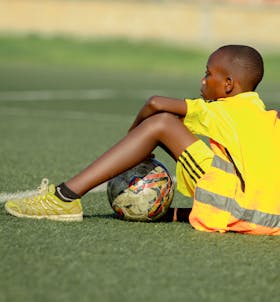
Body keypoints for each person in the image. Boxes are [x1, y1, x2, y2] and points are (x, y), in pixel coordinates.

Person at [5, 44, 280, 235]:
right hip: (271, 220)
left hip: (236, 211)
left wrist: (135, 140)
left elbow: (155, 103)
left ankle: (64, 197)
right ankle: (181, 211)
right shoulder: (271, 118)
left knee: (160, 123)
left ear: (229, 84)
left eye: (209, 73)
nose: (203, 80)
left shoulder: (222, 109)